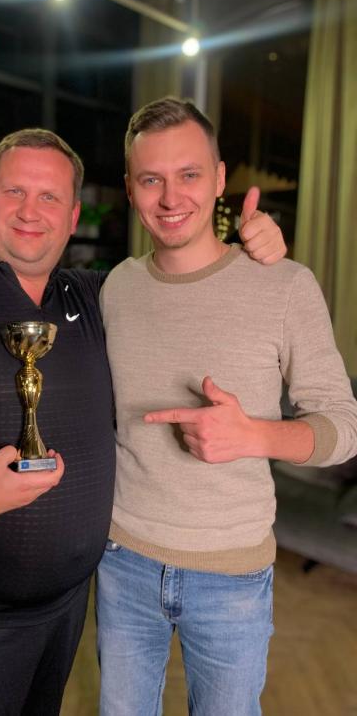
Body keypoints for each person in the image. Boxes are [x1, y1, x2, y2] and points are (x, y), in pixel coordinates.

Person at [0, 127, 285, 716]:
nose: (30, 211)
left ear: (72, 217)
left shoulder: (96, 297)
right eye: (15, 191)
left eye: (50, 197)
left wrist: (247, 251)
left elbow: (175, 282)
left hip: (68, 611)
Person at [96, 97, 357, 716]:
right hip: (122, 561)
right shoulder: (116, 288)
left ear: (218, 179)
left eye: (189, 174)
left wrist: (254, 437)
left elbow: (344, 428)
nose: (170, 197)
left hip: (232, 575)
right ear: (130, 188)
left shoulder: (285, 285)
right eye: (151, 179)